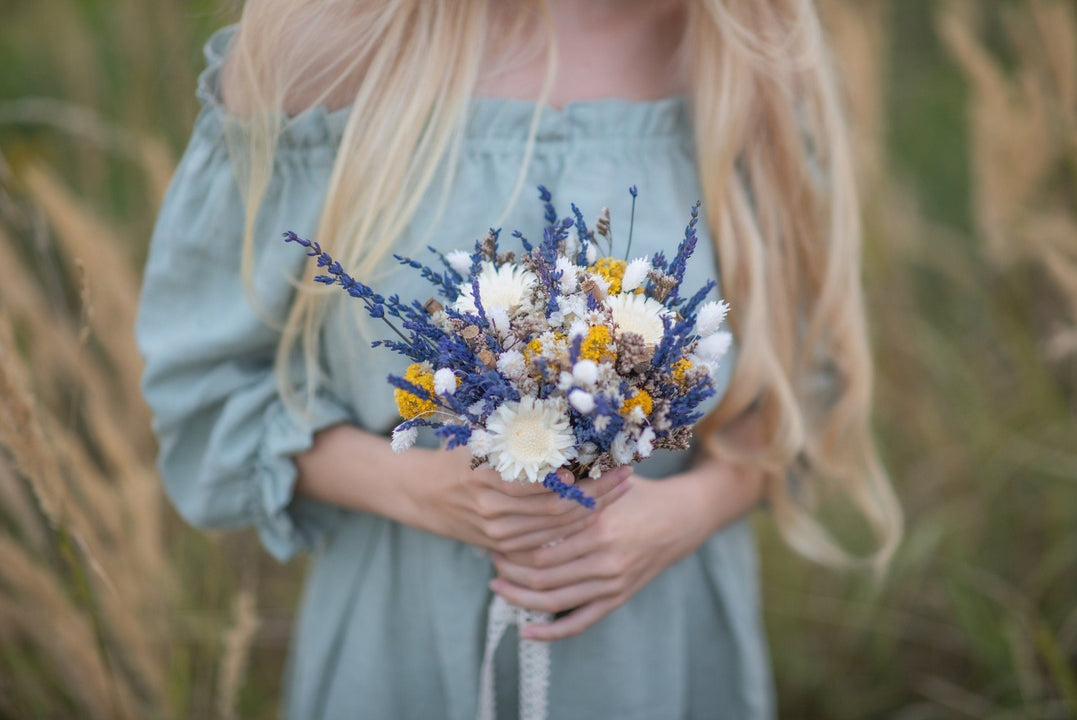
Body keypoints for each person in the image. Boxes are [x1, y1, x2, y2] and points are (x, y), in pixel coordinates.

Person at [137, 1, 902, 718]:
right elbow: (206, 392)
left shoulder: (744, 45)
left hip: (662, 656)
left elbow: (806, 383)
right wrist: (420, 490)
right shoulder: (329, 42)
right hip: (402, 648)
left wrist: (684, 514)